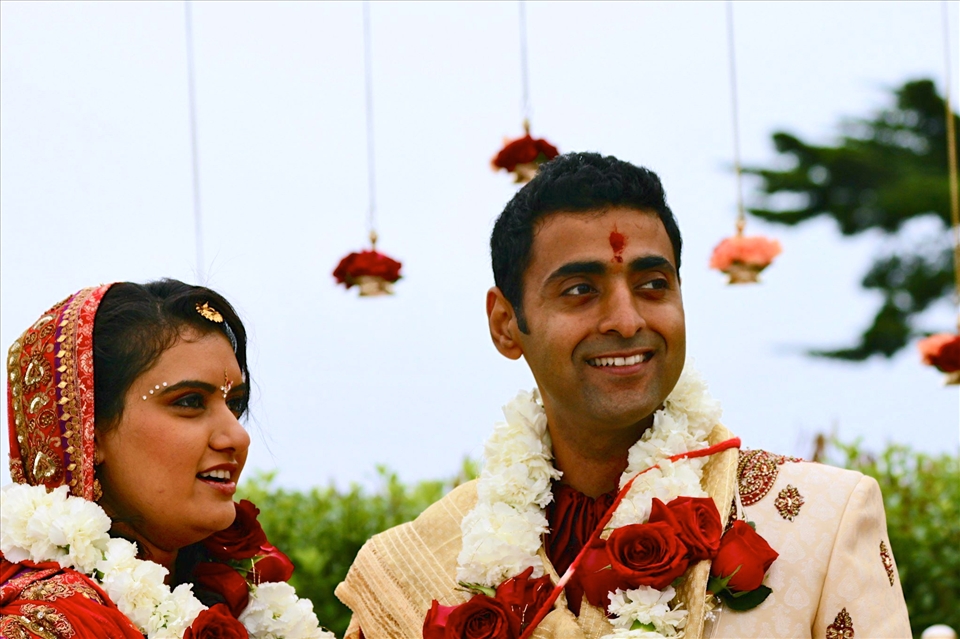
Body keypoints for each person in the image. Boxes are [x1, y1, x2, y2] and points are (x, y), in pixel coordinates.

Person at [335, 153, 912, 638]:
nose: (626, 318)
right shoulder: (425, 563)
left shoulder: (822, 519)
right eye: (581, 290)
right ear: (506, 324)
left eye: (652, 285)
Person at [1, 280, 333, 638]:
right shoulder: (41, 626)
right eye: (190, 402)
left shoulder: (237, 605)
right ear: (88, 429)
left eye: (234, 404)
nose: (238, 436)